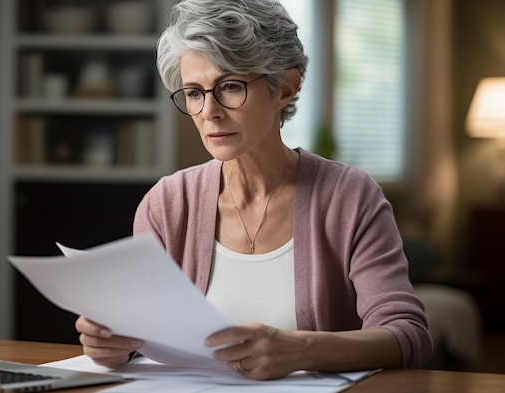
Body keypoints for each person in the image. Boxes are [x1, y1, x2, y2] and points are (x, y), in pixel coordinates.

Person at [76, 0, 432, 380]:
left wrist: (300, 349)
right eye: (194, 93)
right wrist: (112, 345)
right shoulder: (167, 204)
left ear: (285, 88)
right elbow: (139, 336)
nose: (209, 111)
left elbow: (407, 335)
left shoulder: (350, 197)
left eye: (229, 87)